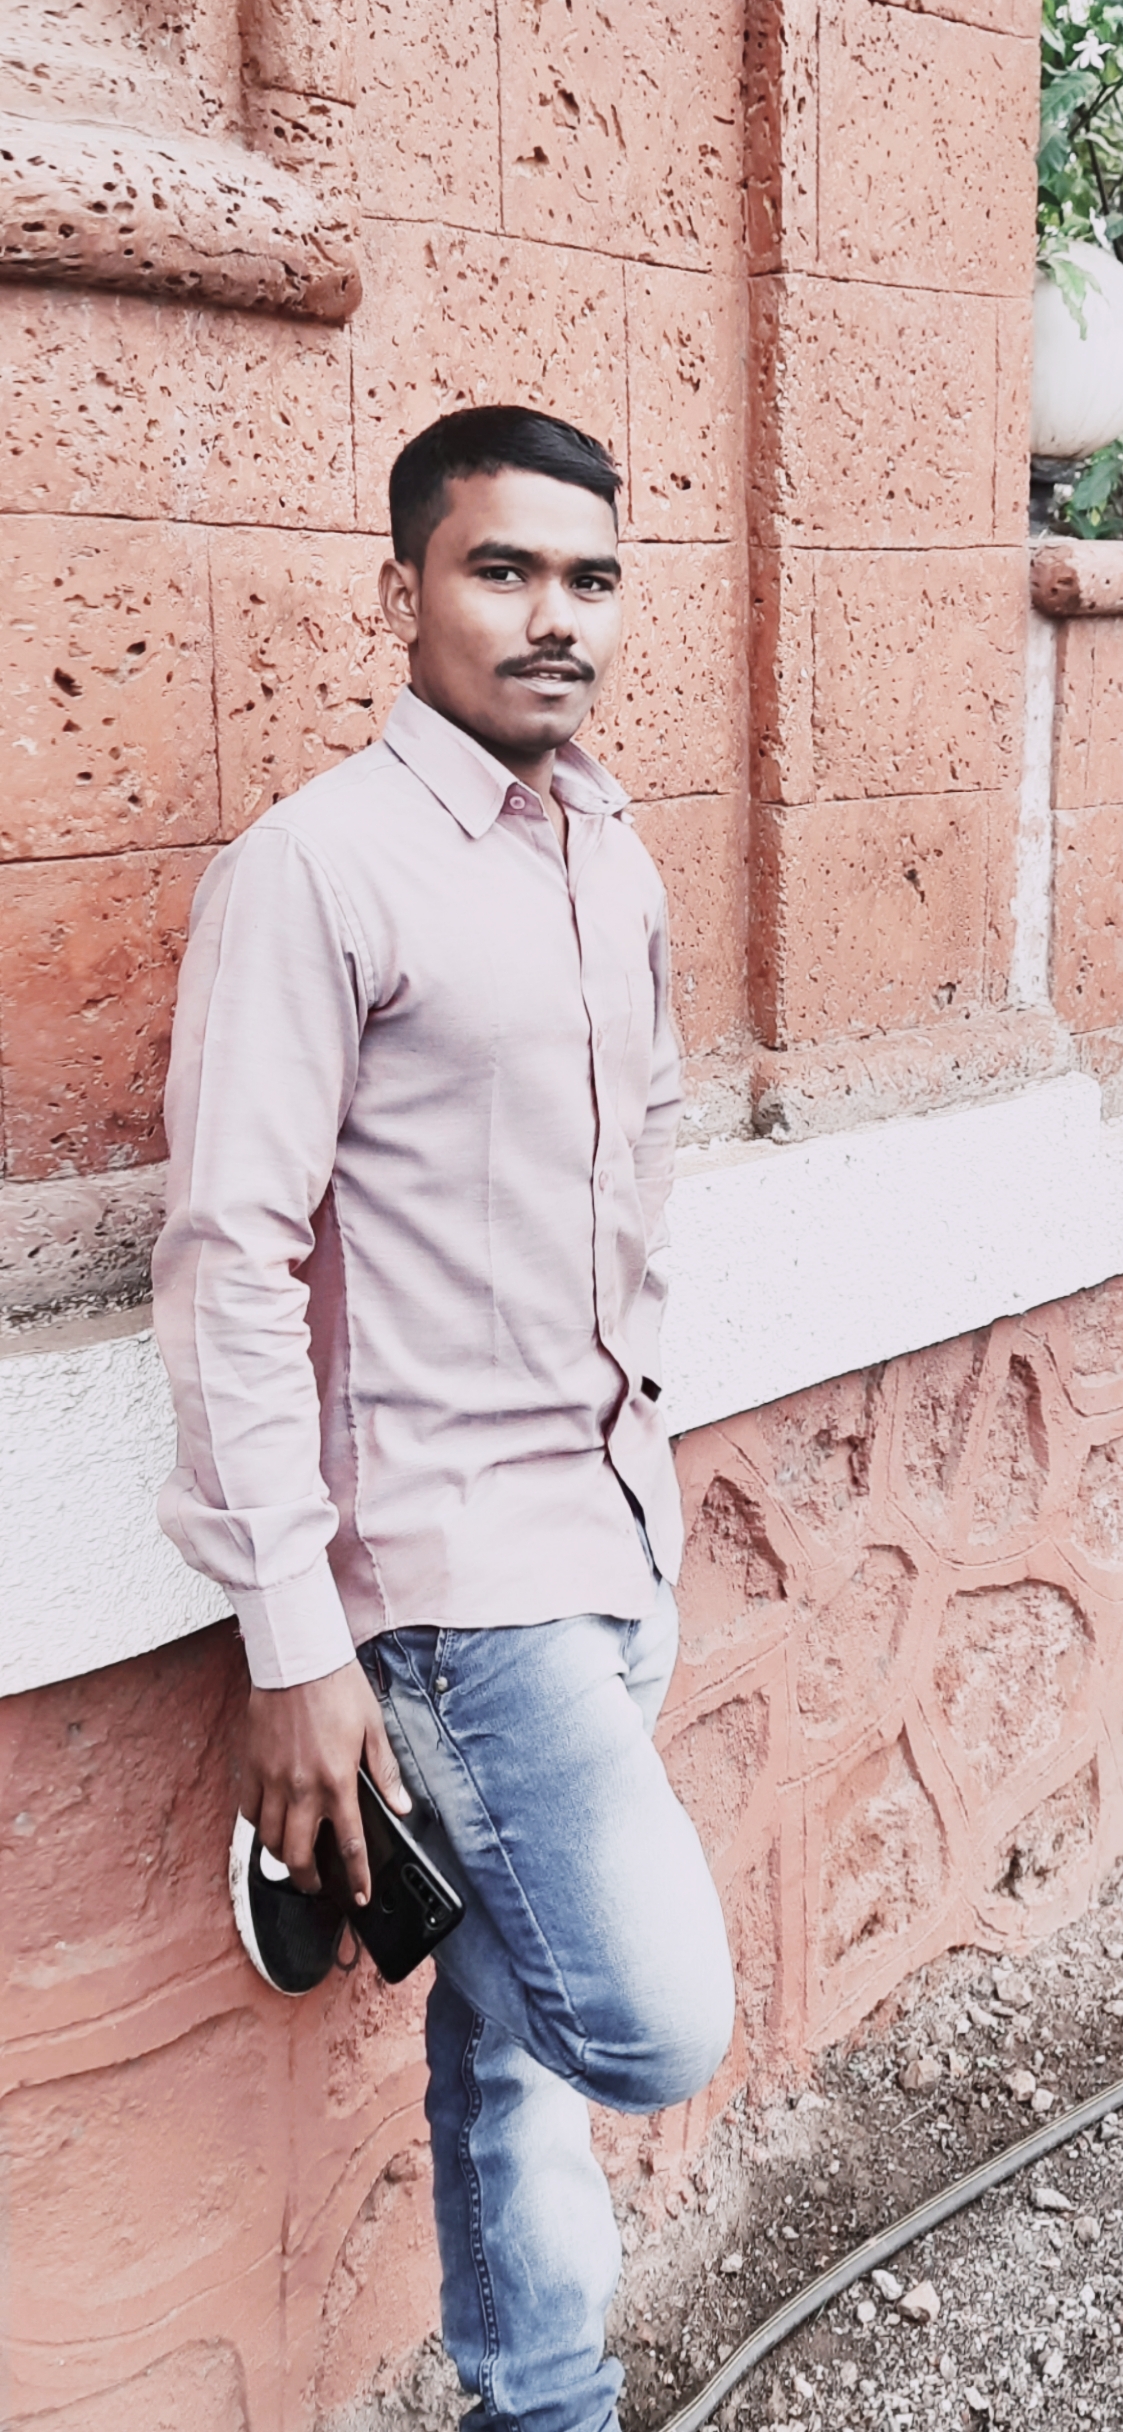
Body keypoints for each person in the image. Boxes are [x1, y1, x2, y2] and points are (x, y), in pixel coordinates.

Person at [153, 404, 736, 2432]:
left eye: (591, 579)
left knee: (504, 2039)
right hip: (451, 1578)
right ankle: (362, 1812)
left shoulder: (609, 849)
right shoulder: (315, 868)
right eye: (503, 570)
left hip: (618, 1517)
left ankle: (540, 2403)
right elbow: (227, 1259)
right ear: (403, 589)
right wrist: (294, 1646)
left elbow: (642, 1158)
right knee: (646, 2019)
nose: (554, 616)